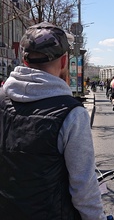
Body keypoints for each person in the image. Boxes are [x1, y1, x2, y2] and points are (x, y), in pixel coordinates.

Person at [0, 22, 106, 220]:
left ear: (25, 60)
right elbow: (83, 190)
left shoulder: (2, 99)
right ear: (65, 61)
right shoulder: (71, 114)